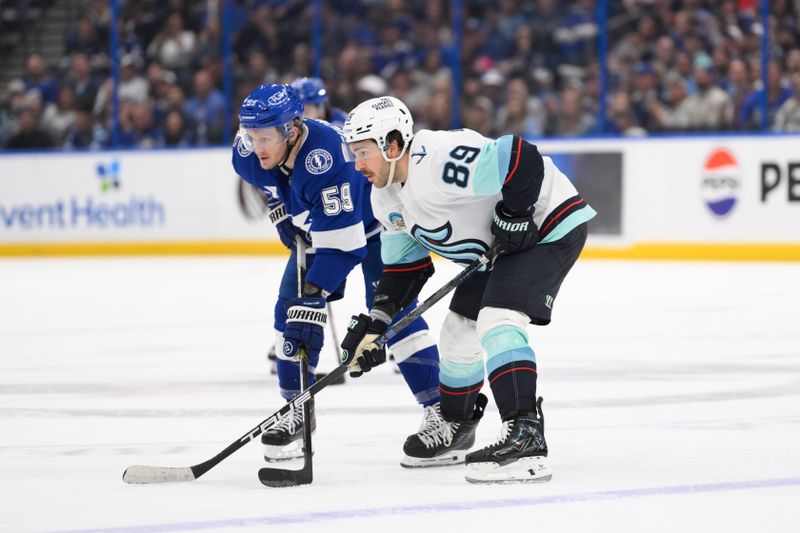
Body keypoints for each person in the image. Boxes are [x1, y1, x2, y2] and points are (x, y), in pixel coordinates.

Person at [340, 96, 596, 483]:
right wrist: (377, 323)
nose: (357, 164)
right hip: (499, 249)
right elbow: (406, 269)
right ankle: (457, 426)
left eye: (363, 152)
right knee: (459, 330)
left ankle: (526, 433)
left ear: (392, 144)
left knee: (498, 318)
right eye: (353, 153)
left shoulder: (437, 160)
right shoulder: (385, 196)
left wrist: (514, 213)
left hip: (547, 225)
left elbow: (520, 157)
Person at [231, 84, 446, 467]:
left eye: (265, 137)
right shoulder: (247, 151)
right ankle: (297, 409)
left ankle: (441, 412)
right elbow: (267, 180)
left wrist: (314, 296)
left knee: (393, 312)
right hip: (322, 227)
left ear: (291, 130)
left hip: (377, 224)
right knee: (287, 313)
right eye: (252, 136)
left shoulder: (327, 158)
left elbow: (345, 246)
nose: (256, 145)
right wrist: (280, 210)